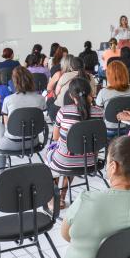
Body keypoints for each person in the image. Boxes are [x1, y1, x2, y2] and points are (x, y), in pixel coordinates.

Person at [46, 78, 105, 208]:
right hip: (90, 161)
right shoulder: (99, 112)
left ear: (72, 96)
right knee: (74, 153)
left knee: (50, 153)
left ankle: (55, 198)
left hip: (65, 161)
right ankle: (60, 196)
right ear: (90, 93)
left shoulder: (63, 111)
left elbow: (55, 137)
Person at [0, 66, 47, 154]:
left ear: (14, 82)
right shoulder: (41, 99)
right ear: (31, 80)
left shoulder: (8, 99)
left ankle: (1, 164)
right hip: (33, 142)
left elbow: (7, 125)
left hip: (10, 144)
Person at [95, 60, 130, 137]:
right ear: (125, 74)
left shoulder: (103, 92)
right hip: (128, 128)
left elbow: (98, 112)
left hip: (109, 130)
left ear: (109, 76)